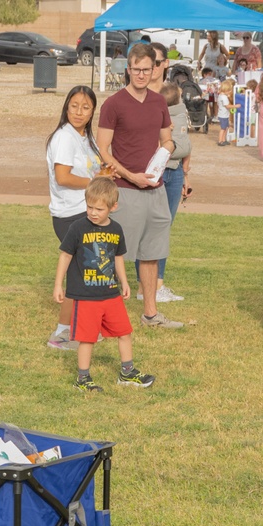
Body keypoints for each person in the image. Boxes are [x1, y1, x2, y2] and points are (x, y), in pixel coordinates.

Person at [97, 42, 182, 329]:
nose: (142, 75)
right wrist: (131, 176)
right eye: (137, 69)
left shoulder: (159, 102)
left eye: (147, 69)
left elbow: (167, 139)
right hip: (125, 191)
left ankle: (150, 315)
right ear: (128, 69)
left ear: (155, 69)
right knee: (115, 256)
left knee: (152, 254)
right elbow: (103, 150)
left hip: (155, 191)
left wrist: (165, 151)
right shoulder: (114, 104)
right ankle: (102, 317)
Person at [54, 177, 155, 392]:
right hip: (86, 296)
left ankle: (127, 373)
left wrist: (124, 282)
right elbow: (65, 256)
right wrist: (58, 285)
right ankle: (83, 379)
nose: (93, 212)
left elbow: (118, 257)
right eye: (89, 207)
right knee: (87, 339)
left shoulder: (116, 229)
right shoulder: (77, 228)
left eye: (99, 209)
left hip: (111, 294)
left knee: (124, 332)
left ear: (113, 207)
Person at [45, 85, 107, 350]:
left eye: (85, 107)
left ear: (93, 111)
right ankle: (62, 334)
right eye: (74, 106)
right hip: (69, 215)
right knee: (78, 273)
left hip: (84, 211)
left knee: (88, 270)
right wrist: (96, 180)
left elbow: (93, 169)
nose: (79, 112)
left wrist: (105, 173)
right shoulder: (64, 137)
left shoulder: (84, 137)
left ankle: (83, 326)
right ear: (66, 107)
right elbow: (63, 177)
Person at [137, 82, 190, 304]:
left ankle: (157, 283)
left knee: (164, 228)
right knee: (151, 228)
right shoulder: (152, 109)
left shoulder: (179, 115)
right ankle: (145, 285)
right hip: (157, 173)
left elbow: (186, 144)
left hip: (175, 172)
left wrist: (185, 174)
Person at [217, 79, 238, 146]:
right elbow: (227, 106)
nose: (230, 92)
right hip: (223, 115)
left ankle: (223, 140)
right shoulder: (224, 97)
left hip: (224, 114)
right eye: (229, 91)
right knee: (223, 128)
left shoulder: (221, 96)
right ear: (226, 90)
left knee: (225, 128)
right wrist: (235, 106)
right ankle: (220, 141)